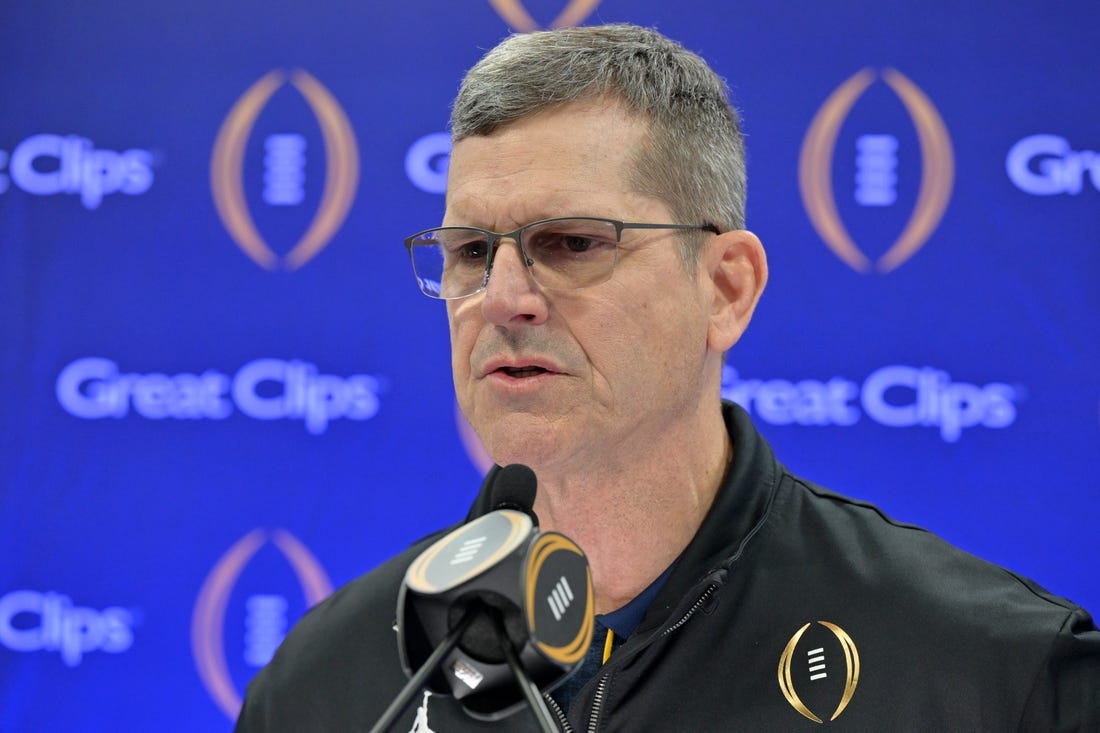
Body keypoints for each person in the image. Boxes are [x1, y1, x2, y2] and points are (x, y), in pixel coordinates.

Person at [236, 24, 1100, 732]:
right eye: (470, 252)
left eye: (571, 242)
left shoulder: (991, 675)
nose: (501, 299)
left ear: (726, 287)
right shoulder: (328, 686)